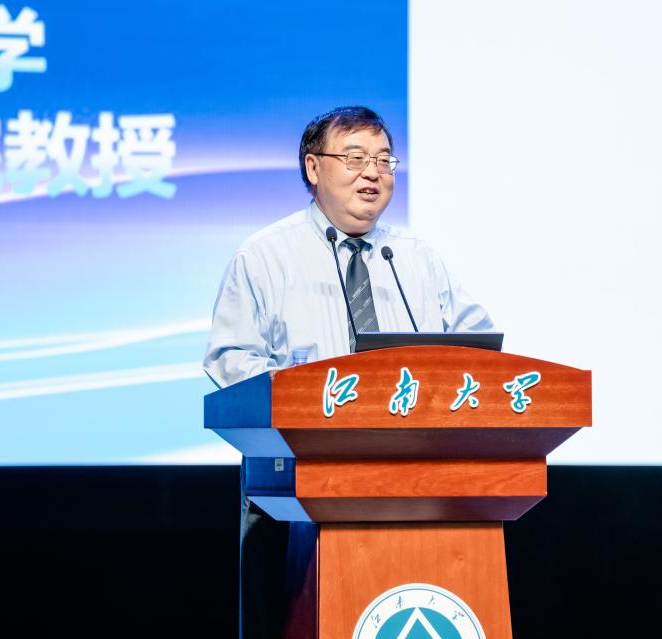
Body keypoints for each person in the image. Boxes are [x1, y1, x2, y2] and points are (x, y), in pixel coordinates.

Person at [203, 106, 494, 639]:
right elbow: (230, 359)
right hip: (292, 484)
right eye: (355, 158)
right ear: (313, 168)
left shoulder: (414, 258)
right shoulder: (266, 255)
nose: (373, 173)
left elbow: (479, 348)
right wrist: (300, 398)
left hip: (415, 481)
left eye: (384, 160)